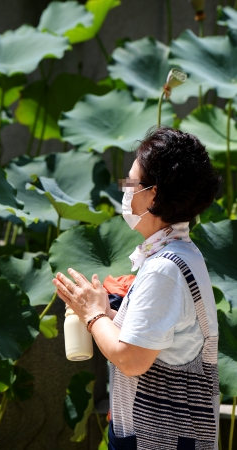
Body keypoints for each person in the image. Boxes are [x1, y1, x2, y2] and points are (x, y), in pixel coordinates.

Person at [52, 127, 221, 450]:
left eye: (131, 182)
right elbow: (156, 339)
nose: (125, 190)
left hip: (160, 439)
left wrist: (93, 316)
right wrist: (107, 311)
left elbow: (130, 359)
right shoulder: (182, 254)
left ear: (153, 195)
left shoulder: (164, 269)